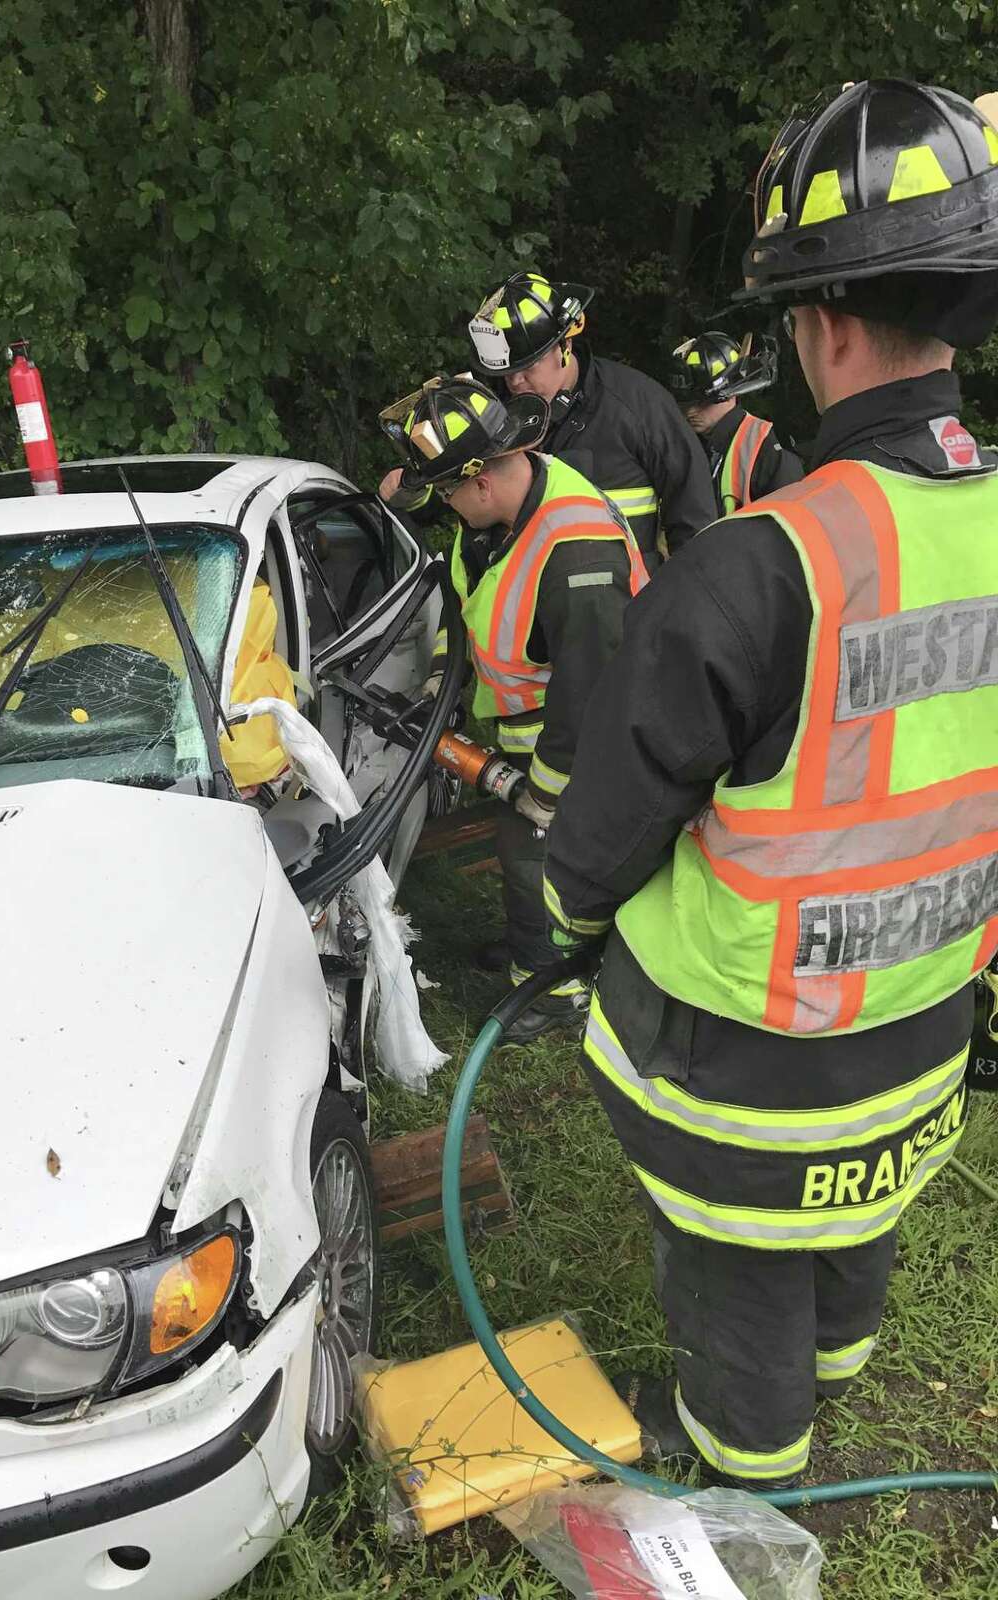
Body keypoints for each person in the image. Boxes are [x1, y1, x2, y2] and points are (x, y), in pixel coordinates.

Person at [542, 79, 998, 1488]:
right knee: (854, 1220)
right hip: (928, 1025)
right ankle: (844, 1355)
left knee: (735, 1271)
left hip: (748, 1070)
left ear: (831, 325)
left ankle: (750, 1460)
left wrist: (558, 927)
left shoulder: (764, 562)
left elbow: (616, 806)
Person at [380, 372, 648, 1040]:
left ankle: (558, 994)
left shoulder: (576, 555)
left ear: (483, 480)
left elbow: (591, 698)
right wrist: (444, 681)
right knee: (522, 846)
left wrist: (547, 796)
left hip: (586, 743)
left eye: (447, 490)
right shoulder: (503, 512)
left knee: (537, 853)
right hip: (530, 733)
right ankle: (536, 955)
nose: (444, 504)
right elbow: (475, 605)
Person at [463, 271, 717, 565]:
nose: (515, 382)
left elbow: (695, 516)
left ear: (565, 346)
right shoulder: (492, 411)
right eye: (505, 372)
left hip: (626, 599)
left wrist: (682, 600)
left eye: (528, 366)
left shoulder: (636, 404)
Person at [668, 329, 805, 510]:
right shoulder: (689, 445)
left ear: (730, 393)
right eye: (685, 403)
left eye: (701, 402)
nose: (690, 412)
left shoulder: (767, 450)